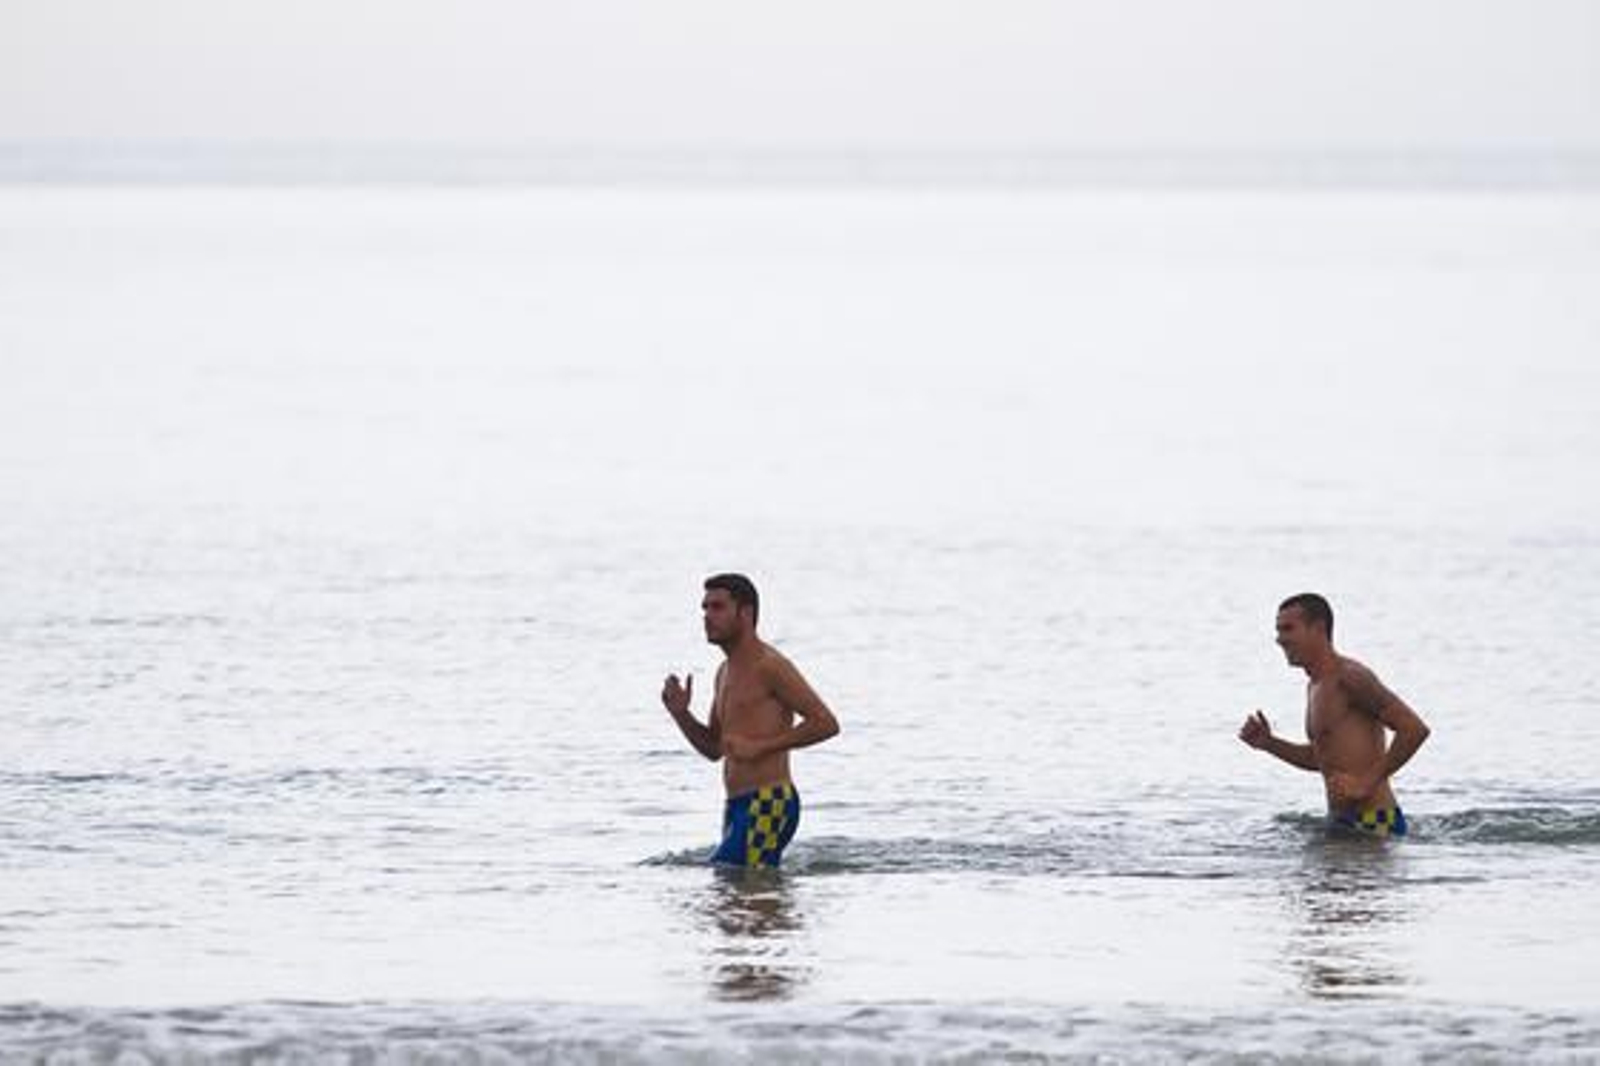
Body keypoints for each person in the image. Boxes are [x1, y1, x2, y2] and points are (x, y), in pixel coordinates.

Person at [662, 573, 841, 868]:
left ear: (745, 612)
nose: (707, 616)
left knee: (728, 878)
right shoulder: (724, 672)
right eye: (704, 608)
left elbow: (825, 723)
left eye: (717, 607)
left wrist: (763, 747)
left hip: (770, 802)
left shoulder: (770, 666)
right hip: (736, 806)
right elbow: (714, 749)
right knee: (741, 899)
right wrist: (680, 714)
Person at [1239, 593, 1431, 837]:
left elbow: (1414, 729)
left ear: (1318, 629)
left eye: (1288, 629)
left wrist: (1367, 782)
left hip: (1375, 822)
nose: (1280, 639)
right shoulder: (1315, 686)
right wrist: (1269, 743)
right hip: (1341, 822)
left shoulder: (1350, 677)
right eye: (1278, 631)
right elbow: (1323, 757)